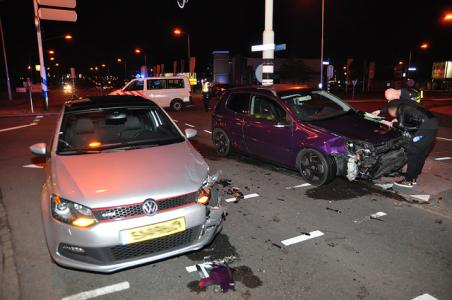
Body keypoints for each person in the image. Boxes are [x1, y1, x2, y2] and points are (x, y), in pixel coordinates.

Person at [384, 100, 438, 188]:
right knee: (421, 152)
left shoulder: (401, 109)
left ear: (392, 109)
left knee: (413, 152)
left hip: (426, 128)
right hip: (432, 124)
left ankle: (409, 180)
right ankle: (414, 174)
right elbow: (414, 123)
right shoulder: (408, 105)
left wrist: (392, 124)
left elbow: (401, 126)